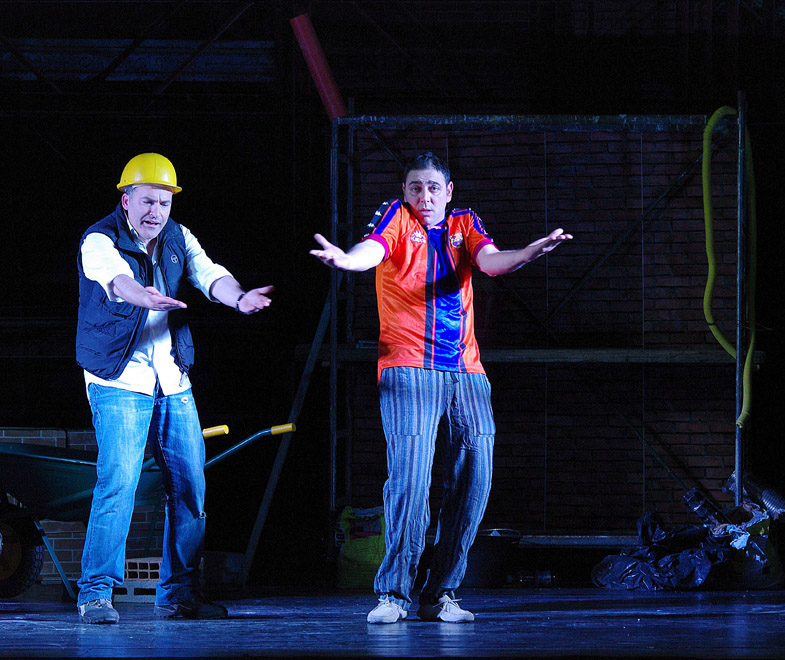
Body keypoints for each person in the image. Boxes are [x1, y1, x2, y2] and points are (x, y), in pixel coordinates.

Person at [311, 151, 572, 624]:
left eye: (433, 188)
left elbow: (491, 262)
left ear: (448, 192)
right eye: (416, 187)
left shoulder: (464, 223)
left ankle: (441, 593)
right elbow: (373, 250)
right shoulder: (396, 217)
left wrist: (528, 253)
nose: (424, 196)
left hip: (466, 371)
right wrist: (347, 260)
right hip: (409, 367)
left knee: (475, 479)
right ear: (405, 191)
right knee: (410, 483)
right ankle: (394, 595)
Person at [75, 153, 274, 624]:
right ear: (126, 200)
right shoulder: (99, 238)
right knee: (118, 484)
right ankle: (95, 594)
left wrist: (239, 298)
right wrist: (142, 296)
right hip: (118, 378)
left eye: (164, 203)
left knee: (190, 486)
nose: (156, 212)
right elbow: (115, 279)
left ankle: (180, 594)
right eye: (147, 201)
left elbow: (210, 274)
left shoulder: (179, 237)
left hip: (172, 377)